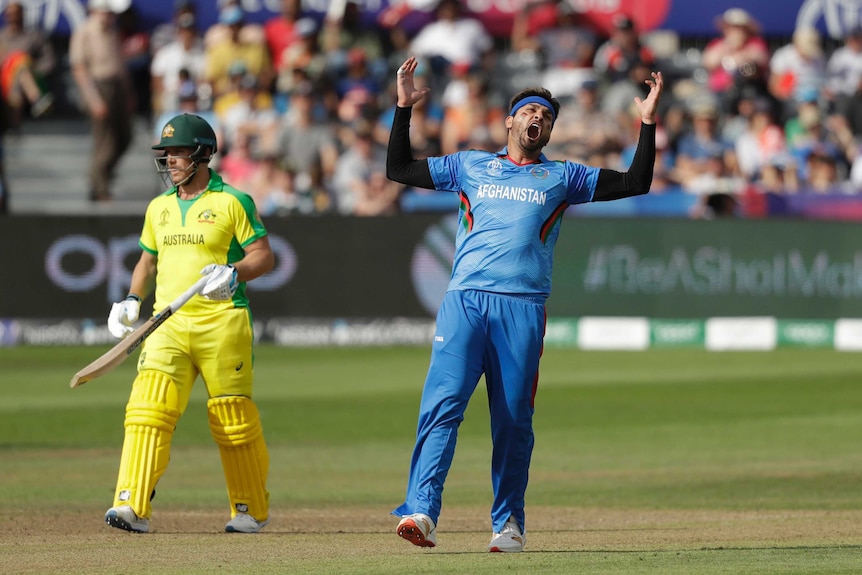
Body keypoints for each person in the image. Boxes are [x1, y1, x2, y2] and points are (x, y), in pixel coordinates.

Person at [386, 56, 663, 552]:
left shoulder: (563, 177)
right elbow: (399, 169)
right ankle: (422, 511)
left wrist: (646, 123)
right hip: (465, 302)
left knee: (513, 419)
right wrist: (403, 109)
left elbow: (635, 182)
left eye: (548, 117)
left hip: (522, 308)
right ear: (510, 120)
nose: (539, 120)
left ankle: (508, 523)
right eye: (531, 112)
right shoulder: (470, 164)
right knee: (442, 406)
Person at [103, 113, 274, 534]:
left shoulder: (233, 201)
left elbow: (264, 256)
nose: (170, 161)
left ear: (203, 154)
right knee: (147, 410)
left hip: (223, 322)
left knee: (231, 417)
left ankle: (248, 509)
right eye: (167, 154)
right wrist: (130, 298)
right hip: (168, 325)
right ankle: (131, 506)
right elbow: (147, 260)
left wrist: (235, 271)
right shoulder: (159, 208)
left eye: (178, 153)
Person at [69, 0, 135, 202]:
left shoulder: (112, 32)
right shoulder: (85, 32)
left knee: (125, 137)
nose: (109, 16)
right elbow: (80, 69)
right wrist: (94, 99)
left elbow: (120, 65)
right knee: (104, 140)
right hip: (99, 87)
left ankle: (103, 173)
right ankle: (99, 188)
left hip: (117, 88)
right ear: (94, 11)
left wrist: (129, 93)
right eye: (105, 12)